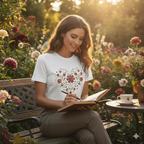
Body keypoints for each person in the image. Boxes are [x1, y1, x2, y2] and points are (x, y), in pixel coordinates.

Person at [31, 15, 112, 144]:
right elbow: (39, 99)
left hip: (75, 116)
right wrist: (63, 103)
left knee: (88, 137)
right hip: (51, 119)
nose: (77, 42)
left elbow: (84, 95)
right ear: (62, 33)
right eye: (73, 37)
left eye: (80, 39)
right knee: (93, 117)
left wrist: (85, 104)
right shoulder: (44, 60)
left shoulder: (83, 61)